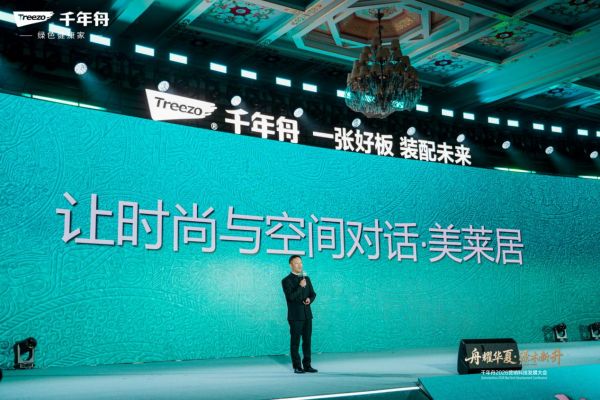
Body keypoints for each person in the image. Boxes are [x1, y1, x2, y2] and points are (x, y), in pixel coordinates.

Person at [281, 255, 318, 374]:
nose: (300, 265)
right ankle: (297, 366)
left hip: (307, 315)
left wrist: (309, 300)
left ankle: (307, 365)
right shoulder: (286, 280)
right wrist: (300, 286)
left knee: (307, 341)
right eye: (296, 263)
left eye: (301, 263)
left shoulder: (307, 278)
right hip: (295, 316)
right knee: (295, 342)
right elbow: (290, 297)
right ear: (291, 265)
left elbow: (313, 294)